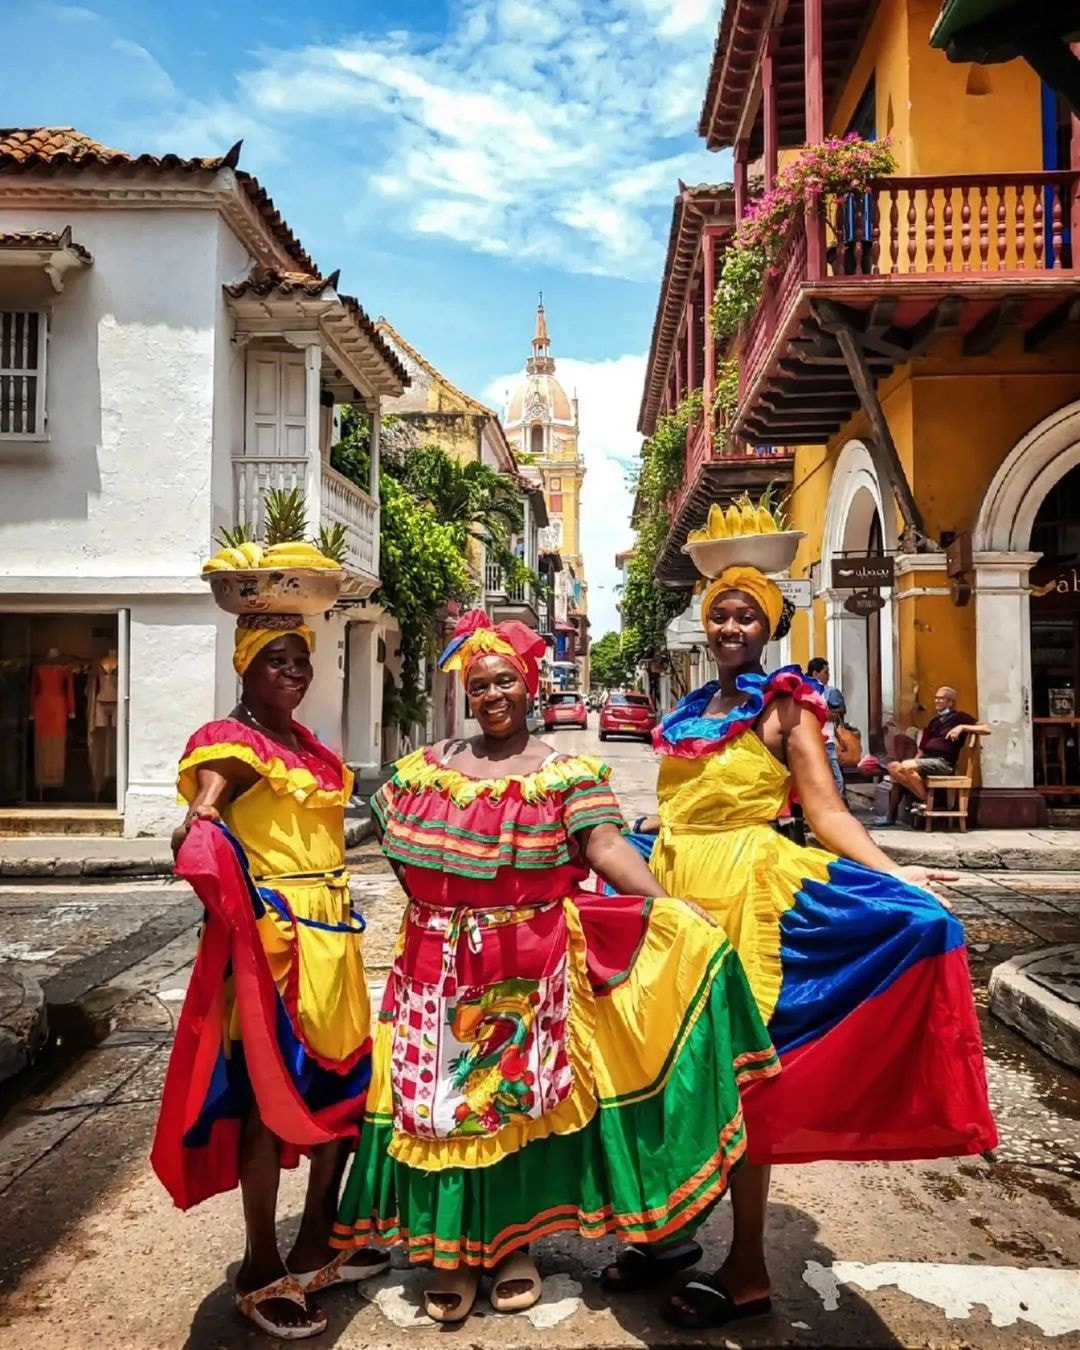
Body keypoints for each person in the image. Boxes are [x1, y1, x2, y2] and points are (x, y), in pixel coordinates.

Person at [331, 610, 778, 1323]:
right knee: (438, 1107)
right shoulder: (430, 768)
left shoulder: (563, 773)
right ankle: (449, 1252)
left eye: (505, 679)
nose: (493, 694)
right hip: (435, 966)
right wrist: (445, 916)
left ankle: (512, 1247)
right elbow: (397, 845)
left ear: (529, 684)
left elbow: (604, 846)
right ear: (467, 695)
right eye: (479, 684)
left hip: (529, 967)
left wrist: (668, 908)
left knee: (512, 1106)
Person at [626, 513, 996, 1332]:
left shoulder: (788, 708)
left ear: (771, 627)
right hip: (675, 897)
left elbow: (825, 812)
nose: (730, 627)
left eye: (747, 616)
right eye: (721, 612)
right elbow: (681, 805)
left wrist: (899, 875)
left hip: (745, 901)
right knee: (668, 1064)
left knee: (741, 1074)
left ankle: (749, 1264)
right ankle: (669, 1231)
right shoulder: (691, 707)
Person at [152, 608, 387, 1340]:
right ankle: (259, 1266)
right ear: (244, 668)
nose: (293, 671)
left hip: (335, 946)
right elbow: (203, 813)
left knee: (342, 1094)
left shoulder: (308, 749)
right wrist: (199, 828)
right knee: (266, 1100)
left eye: (300, 660)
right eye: (275, 660)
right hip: (274, 951)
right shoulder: (236, 743)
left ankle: (316, 1242)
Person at [874, 686, 989, 826]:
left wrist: (962, 727)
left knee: (905, 767)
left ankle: (927, 803)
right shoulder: (934, 722)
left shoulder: (960, 718)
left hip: (943, 763)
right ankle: (898, 813)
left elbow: (986, 728)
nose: (936, 701)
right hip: (926, 760)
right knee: (894, 768)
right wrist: (914, 761)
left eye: (941, 698)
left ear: (950, 702)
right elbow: (922, 748)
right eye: (936, 698)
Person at [806, 657, 846, 799]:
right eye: (826, 672)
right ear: (815, 674)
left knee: (834, 777)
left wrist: (838, 737)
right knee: (833, 778)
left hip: (827, 740)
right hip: (816, 741)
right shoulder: (809, 692)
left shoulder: (824, 691)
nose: (828, 675)